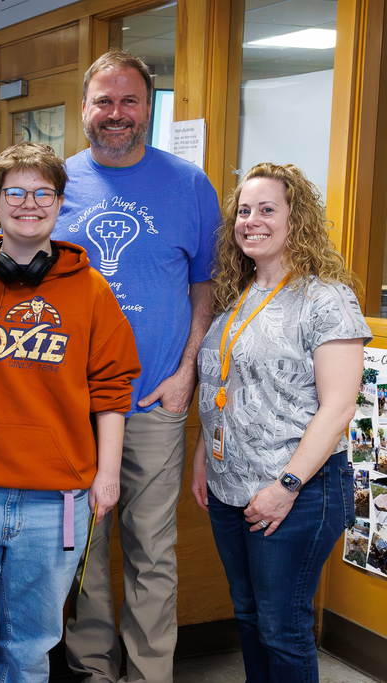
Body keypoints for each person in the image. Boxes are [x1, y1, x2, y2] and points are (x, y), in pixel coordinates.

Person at [0, 142, 140, 682]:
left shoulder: (91, 291)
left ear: (60, 202)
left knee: (27, 650)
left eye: (43, 192)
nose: (29, 203)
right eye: (15, 192)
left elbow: (113, 388)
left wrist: (108, 475)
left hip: (56, 502)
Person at [59, 49, 222, 683]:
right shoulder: (58, 181)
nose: (116, 114)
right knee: (86, 548)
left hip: (155, 399)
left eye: (129, 101)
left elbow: (205, 287)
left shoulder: (189, 185)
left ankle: (151, 675)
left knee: (154, 551)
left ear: (149, 108)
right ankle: (93, 671)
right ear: (84, 110)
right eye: (104, 101)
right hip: (74, 401)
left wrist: (188, 372)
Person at [191, 162, 367, 682]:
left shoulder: (324, 298)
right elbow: (227, 388)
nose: (252, 220)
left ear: (298, 219)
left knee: (283, 627)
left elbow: (338, 408)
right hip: (231, 488)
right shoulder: (236, 295)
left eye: (268, 209)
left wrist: (287, 486)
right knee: (248, 617)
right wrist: (205, 456)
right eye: (244, 210)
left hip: (296, 491)